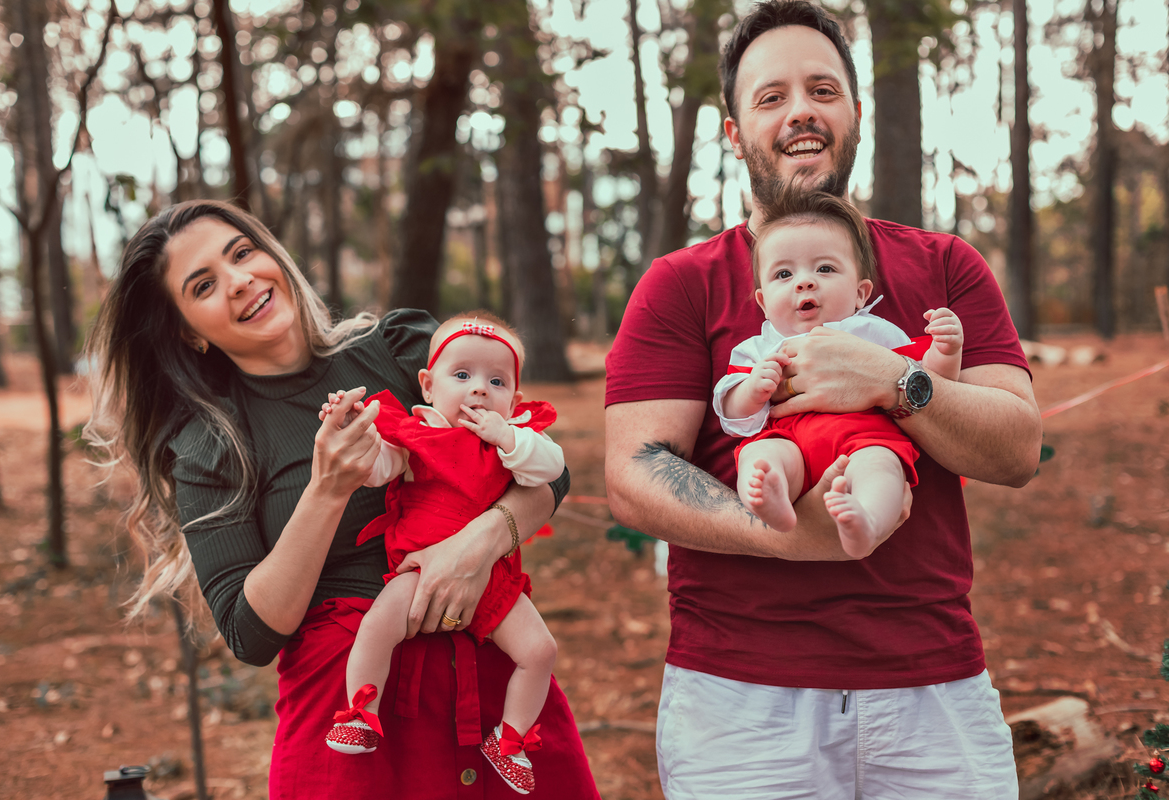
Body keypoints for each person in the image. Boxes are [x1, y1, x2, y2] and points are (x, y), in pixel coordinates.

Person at [603, 1, 1042, 797]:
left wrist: (895, 383)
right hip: (739, 701)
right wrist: (796, 537)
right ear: (734, 134)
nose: (800, 111)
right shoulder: (680, 285)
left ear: (855, 115)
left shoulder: (944, 266)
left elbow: (1015, 448)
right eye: (771, 97)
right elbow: (635, 470)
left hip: (931, 685)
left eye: (822, 90)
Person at [84, 199, 600, 800]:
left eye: (242, 253)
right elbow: (250, 633)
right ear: (186, 330)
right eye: (203, 285)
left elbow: (545, 471)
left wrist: (475, 546)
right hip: (349, 714)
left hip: (489, 666)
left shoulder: (403, 350)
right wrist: (326, 490)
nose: (240, 281)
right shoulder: (210, 444)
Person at [320, 314, 563, 795]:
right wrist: (354, 431)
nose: (478, 391)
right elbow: (376, 469)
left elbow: (550, 469)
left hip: (491, 576)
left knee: (540, 651)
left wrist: (506, 435)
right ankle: (359, 712)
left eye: (496, 381)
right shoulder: (416, 432)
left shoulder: (515, 438)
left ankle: (509, 739)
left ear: (514, 399)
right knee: (377, 625)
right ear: (429, 387)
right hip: (420, 565)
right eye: (462, 376)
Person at [716, 187, 964, 559]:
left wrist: (946, 350)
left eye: (825, 268)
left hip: (865, 437)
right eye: (784, 273)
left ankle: (866, 522)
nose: (805, 282)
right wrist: (753, 388)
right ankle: (773, 498)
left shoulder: (874, 332)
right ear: (763, 302)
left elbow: (927, 382)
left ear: (861, 293)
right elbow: (732, 413)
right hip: (789, 439)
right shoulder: (757, 348)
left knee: (882, 466)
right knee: (762, 455)